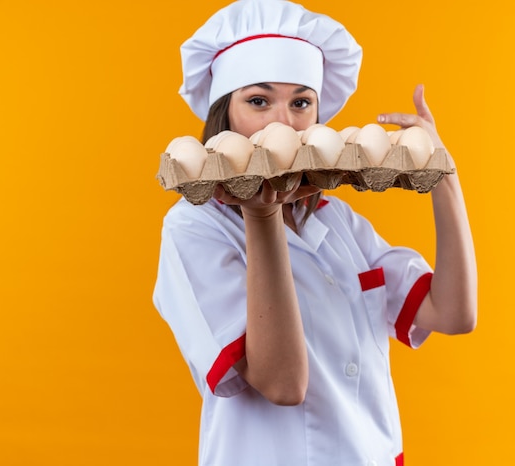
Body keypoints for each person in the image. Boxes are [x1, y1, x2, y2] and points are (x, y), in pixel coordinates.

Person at [153, 1, 477, 465]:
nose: (283, 123)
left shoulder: (334, 219)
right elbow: (284, 385)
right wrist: (263, 216)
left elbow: (452, 313)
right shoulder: (194, 228)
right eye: (259, 101)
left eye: (301, 103)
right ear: (224, 117)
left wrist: (445, 177)